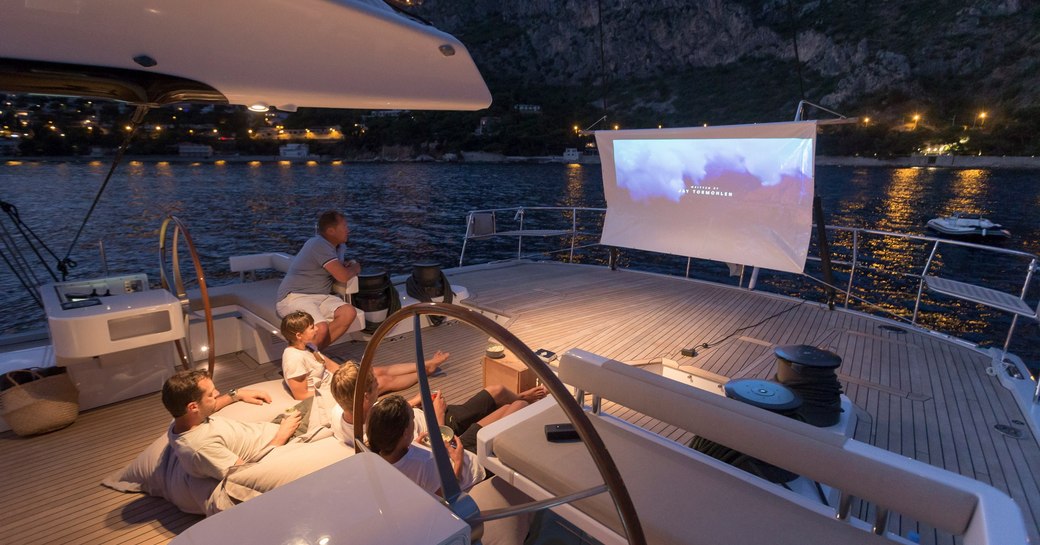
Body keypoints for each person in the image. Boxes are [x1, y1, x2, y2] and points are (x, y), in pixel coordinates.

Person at [328, 362, 549, 453]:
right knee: (514, 406)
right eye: (376, 385)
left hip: (427, 415)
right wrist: (438, 415)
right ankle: (534, 406)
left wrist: (414, 401)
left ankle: (521, 397)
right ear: (366, 397)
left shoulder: (340, 411)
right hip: (441, 432)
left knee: (498, 390)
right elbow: (423, 451)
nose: (379, 384)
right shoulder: (377, 433)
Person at [279, 310, 450, 400]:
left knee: (376, 370)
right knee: (381, 381)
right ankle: (425, 371)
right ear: (298, 335)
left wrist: (353, 375)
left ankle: (428, 363)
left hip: (337, 383)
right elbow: (300, 395)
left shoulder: (308, 346)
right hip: (333, 394)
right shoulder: (293, 358)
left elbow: (331, 366)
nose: (317, 329)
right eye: (311, 328)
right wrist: (341, 392)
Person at [163, 369, 302, 480]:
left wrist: (237, 394)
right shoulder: (201, 447)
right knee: (321, 403)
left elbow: (212, 406)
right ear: (193, 407)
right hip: (284, 440)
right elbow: (246, 473)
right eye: (211, 394)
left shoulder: (181, 421)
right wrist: (282, 435)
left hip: (273, 429)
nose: (217, 394)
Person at [276, 210, 362, 349]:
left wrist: (344, 265)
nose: (348, 230)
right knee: (320, 328)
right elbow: (343, 276)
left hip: (320, 296)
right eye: (344, 226)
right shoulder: (318, 244)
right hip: (295, 297)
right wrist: (356, 267)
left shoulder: (338, 247)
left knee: (348, 312)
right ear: (331, 231)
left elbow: (336, 268)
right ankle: (311, 361)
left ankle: (313, 357)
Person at [367, 394, 485, 495]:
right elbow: (445, 496)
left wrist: (416, 444)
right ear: (405, 433)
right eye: (412, 419)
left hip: (445, 455)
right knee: (498, 417)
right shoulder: (424, 464)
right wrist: (458, 461)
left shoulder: (377, 459)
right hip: (471, 470)